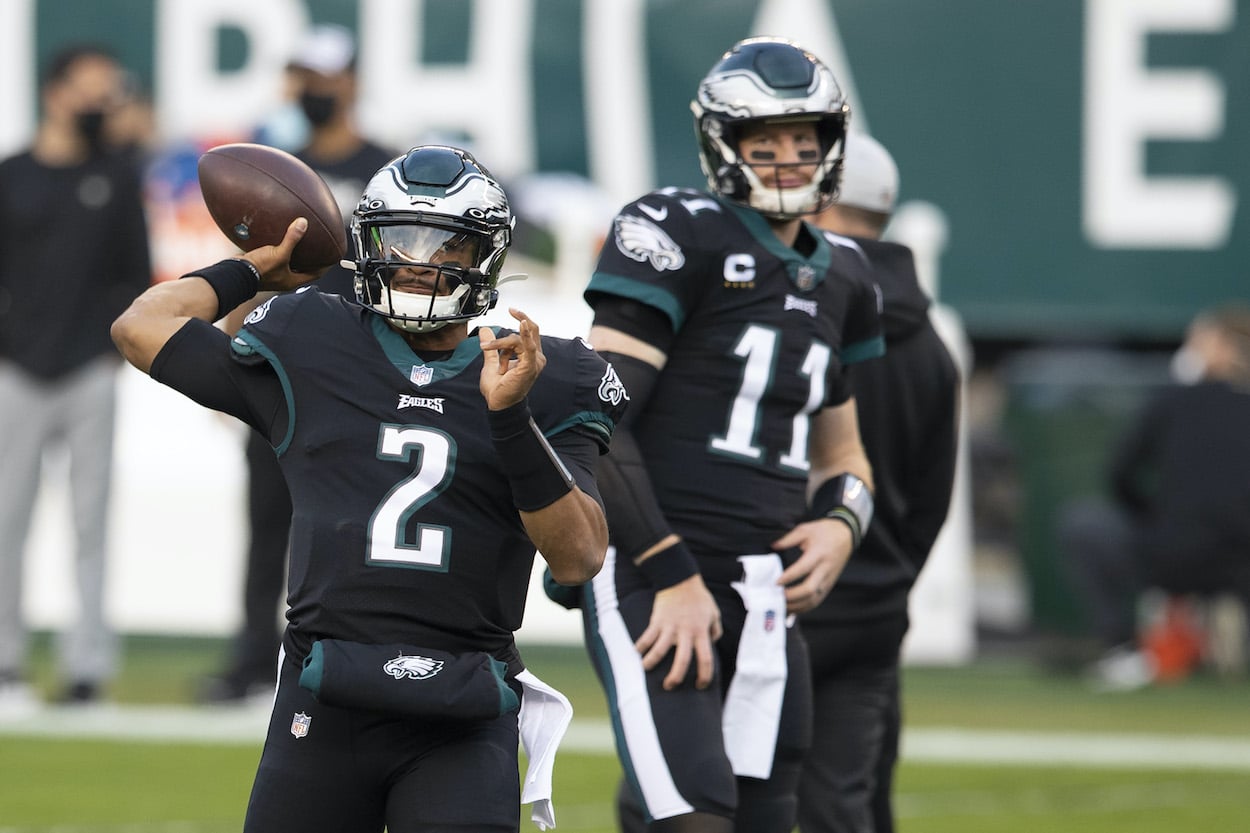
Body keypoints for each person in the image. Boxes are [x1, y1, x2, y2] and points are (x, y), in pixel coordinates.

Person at [111, 145, 623, 831]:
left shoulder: (546, 373)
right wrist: (252, 268)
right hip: (326, 695)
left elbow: (579, 557)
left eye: (447, 245)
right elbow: (138, 326)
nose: (419, 260)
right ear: (367, 243)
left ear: (486, 257)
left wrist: (511, 419)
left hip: (463, 707)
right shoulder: (311, 335)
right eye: (401, 238)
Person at [567, 38, 883, 833]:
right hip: (656, 565)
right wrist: (669, 571)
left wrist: (844, 526)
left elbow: (843, 456)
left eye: (804, 144)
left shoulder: (845, 273)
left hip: (765, 590)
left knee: (761, 814)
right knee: (695, 813)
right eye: (765, 144)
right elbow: (595, 420)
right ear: (724, 145)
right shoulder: (679, 230)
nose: (787, 160)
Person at [200, 22, 399, 705]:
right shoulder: (278, 165)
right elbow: (254, 268)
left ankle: (337, 654)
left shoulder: (387, 170)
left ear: (351, 83)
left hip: (358, 366)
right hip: (282, 361)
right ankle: (254, 656)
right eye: (303, 77)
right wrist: (231, 348)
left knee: (348, 524)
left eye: (323, 78)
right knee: (265, 518)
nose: (312, 90)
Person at [797, 132, 961, 833]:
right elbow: (933, 501)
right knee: (852, 805)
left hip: (783, 593)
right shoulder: (932, 345)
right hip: (876, 606)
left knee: (715, 795)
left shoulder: (800, 312)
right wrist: (888, 576)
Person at [0, 44, 152, 708]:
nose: (100, 103)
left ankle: (87, 667)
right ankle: (5, 663)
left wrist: (103, 350)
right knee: (7, 521)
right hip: (17, 371)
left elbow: (135, 274)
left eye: (107, 92)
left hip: (88, 370)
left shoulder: (117, 176)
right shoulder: (12, 175)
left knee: (92, 522)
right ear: (54, 93)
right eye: (88, 90)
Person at [1060, 304, 1250, 691]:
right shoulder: (1174, 400)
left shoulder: (1172, 400)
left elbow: (1120, 474)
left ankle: (1122, 650)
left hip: (1175, 552)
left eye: (1201, 341)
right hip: (1227, 559)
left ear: (1226, 348)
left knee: (1084, 524)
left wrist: (1155, 516)